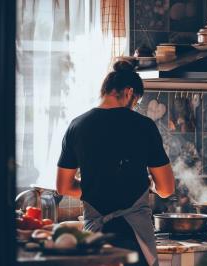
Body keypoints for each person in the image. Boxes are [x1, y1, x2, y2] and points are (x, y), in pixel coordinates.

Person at [56, 60, 175, 266]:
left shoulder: (76, 126)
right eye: (136, 101)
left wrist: (94, 191)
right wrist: (150, 185)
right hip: (135, 237)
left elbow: (63, 185)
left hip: (96, 238)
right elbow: (166, 188)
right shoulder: (144, 126)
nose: (135, 106)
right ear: (129, 92)